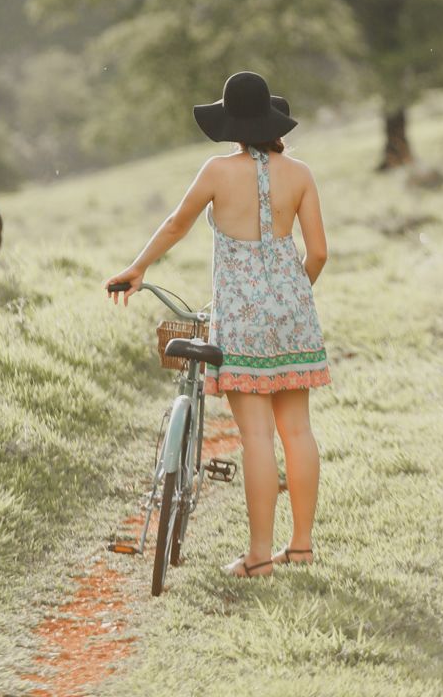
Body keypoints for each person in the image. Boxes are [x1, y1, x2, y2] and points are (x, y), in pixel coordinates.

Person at [103, 70, 331, 579]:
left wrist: (138, 268)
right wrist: (290, 298)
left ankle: (257, 557)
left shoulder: (215, 171)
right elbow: (317, 253)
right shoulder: (301, 174)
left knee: (257, 438)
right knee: (297, 429)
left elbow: (176, 224)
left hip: (241, 320)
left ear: (231, 122)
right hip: (294, 313)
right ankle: (301, 548)